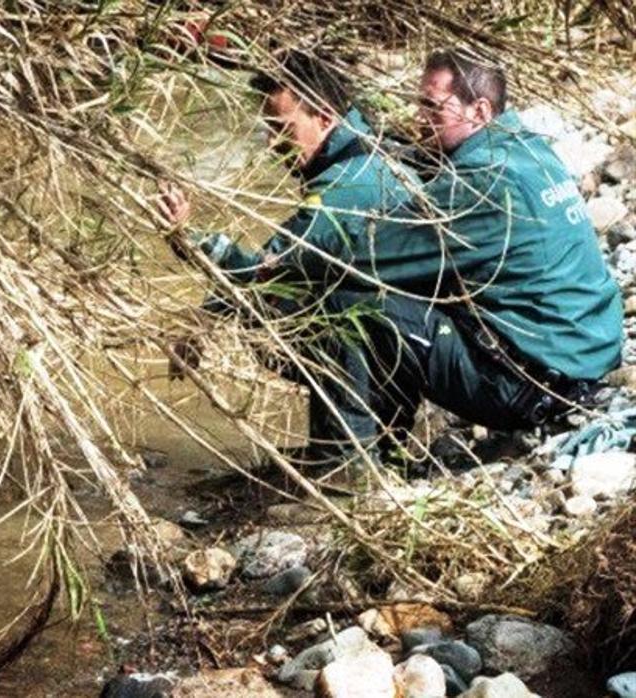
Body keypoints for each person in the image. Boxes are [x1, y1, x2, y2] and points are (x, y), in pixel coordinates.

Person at [171, 49, 621, 463]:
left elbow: (344, 257)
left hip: (532, 384)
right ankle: (382, 437)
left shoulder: (479, 183)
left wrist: (196, 243)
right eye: (418, 104)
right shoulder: (526, 149)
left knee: (345, 302)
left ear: (480, 112)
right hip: (580, 359)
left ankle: (346, 464)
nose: (417, 118)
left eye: (432, 107)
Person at [158, 51, 421, 458]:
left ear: (324, 118)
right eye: (268, 129)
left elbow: (267, 269)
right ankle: (374, 439)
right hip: (416, 330)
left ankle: (344, 459)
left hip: (412, 339)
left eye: (282, 129)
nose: (273, 143)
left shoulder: (343, 190)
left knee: (284, 315)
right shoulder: (366, 148)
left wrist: (186, 237)